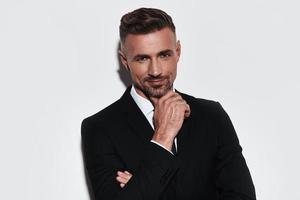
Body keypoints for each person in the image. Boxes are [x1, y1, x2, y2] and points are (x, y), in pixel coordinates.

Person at [81, 7, 256, 200]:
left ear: (178, 51)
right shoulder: (100, 128)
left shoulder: (212, 116)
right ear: (125, 60)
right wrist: (162, 138)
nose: (155, 71)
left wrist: (140, 187)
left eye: (164, 55)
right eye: (142, 58)